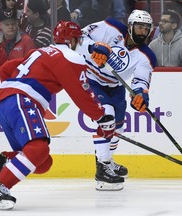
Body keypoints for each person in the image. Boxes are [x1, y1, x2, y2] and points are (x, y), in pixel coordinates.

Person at [0, 20, 116, 210]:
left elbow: (6, 69)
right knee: (38, 150)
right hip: (22, 102)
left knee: (42, 162)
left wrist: (13, 93)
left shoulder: (40, 51)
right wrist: (103, 118)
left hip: (7, 104)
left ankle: (1, 161)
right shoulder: (70, 57)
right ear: (73, 40)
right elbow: (82, 92)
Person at [75, 9, 156, 191]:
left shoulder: (147, 55)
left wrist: (140, 94)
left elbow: (141, 80)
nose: (142, 32)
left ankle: (107, 161)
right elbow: (77, 38)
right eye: (139, 27)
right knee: (107, 117)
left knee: (118, 126)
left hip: (114, 85)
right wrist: (93, 48)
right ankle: (102, 170)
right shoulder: (111, 27)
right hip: (90, 77)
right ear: (130, 26)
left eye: (146, 28)